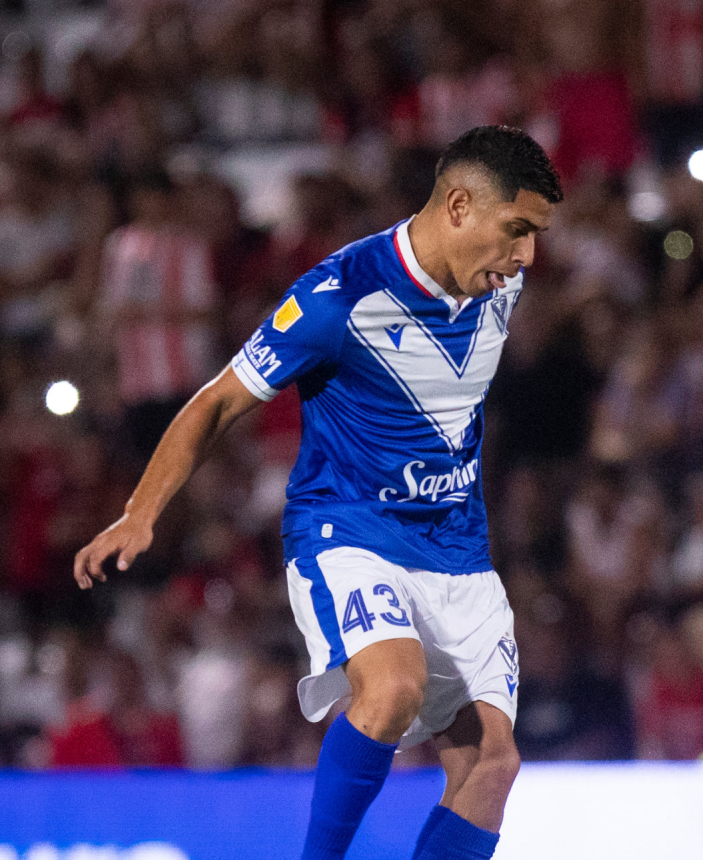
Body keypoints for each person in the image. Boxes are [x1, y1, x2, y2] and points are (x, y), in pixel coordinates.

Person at [74, 125, 562, 860]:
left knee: (493, 764)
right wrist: (140, 514)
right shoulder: (340, 296)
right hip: (349, 532)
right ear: (459, 205)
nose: (526, 256)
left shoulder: (500, 283)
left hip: (459, 550)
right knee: (391, 689)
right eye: (517, 229)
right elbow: (218, 400)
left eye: (536, 237)